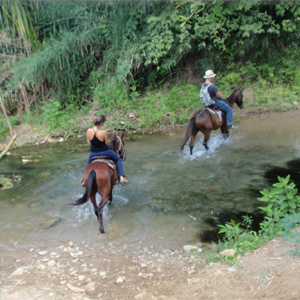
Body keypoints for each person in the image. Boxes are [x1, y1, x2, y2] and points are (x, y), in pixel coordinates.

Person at [85, 115, 129, 184]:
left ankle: (84, 179)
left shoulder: (88, 131)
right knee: (118, 159)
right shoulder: (104, 132)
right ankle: (121, 177)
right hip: (104, 152)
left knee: (88, 164)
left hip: (93, 153)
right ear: (102, 123)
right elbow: (106, 143)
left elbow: (88, 143)